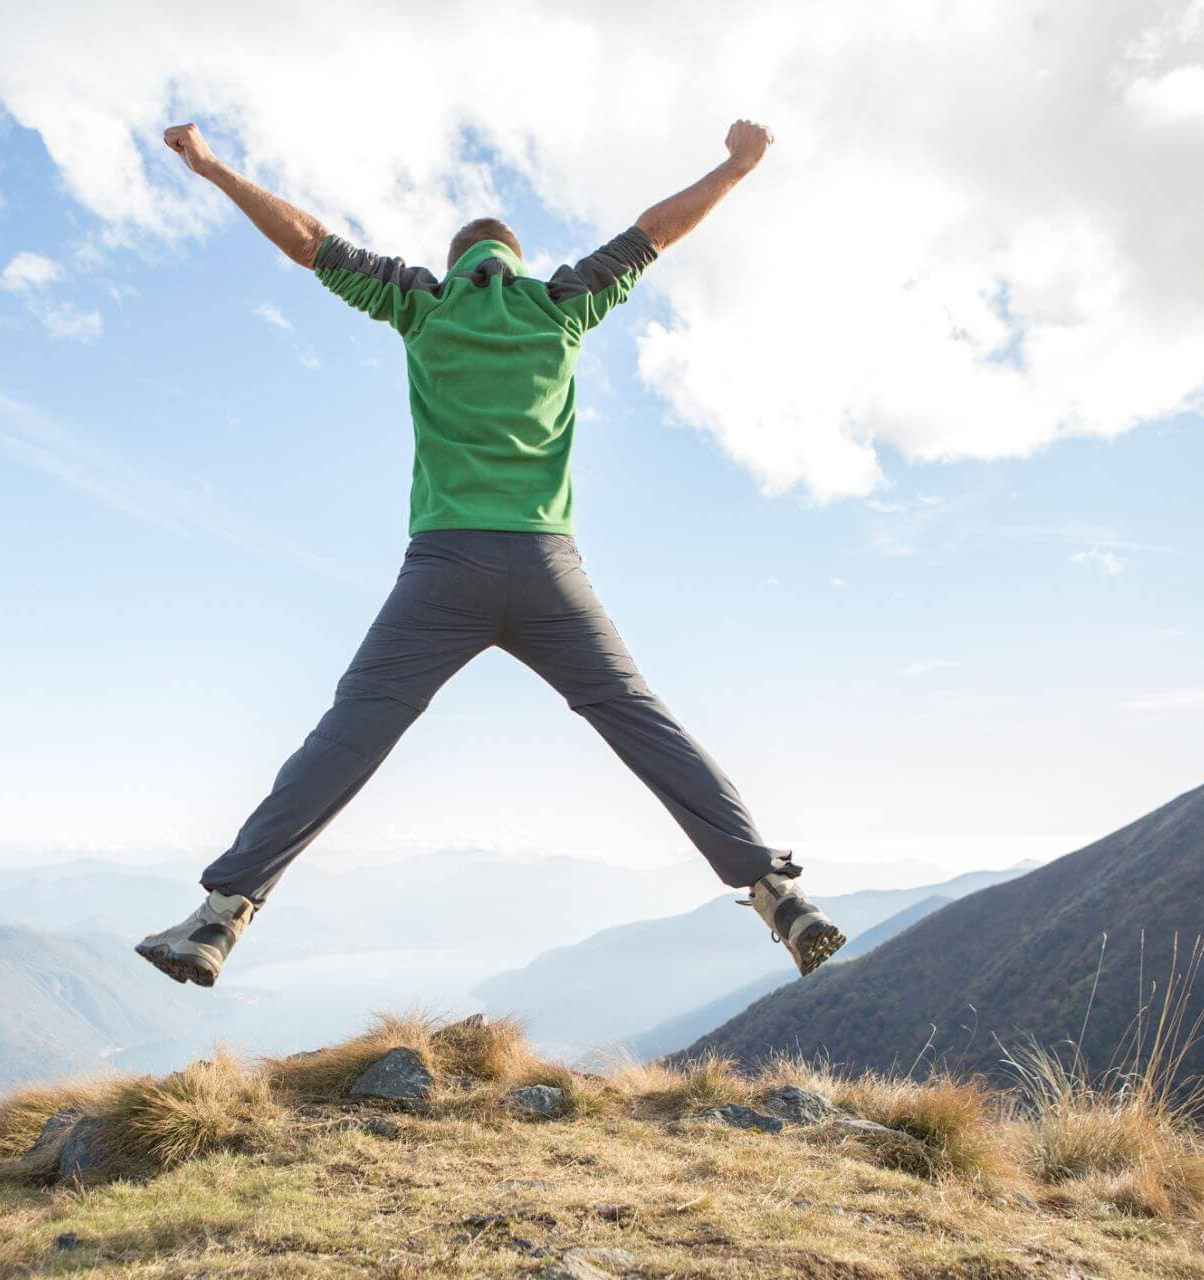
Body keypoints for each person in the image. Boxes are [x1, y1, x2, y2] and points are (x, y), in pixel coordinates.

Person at [136, 119, 845, 988]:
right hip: (553, 571)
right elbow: (658, 230)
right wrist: (736, 167)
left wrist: (210, 167)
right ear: (514, 257)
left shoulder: (421, 302)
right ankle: (779, 895)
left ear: (458, 258)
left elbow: (309, 241)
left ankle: (220, 919)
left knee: (352, 733)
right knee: (640, 718)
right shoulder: (562, 301)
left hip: (443, 572)